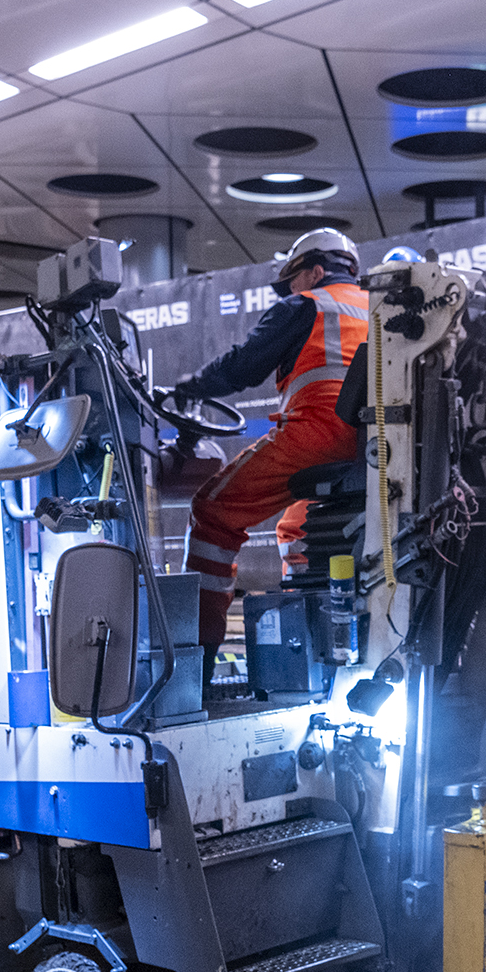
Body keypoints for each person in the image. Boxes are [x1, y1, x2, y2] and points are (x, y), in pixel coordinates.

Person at [175, 229, 368, 691]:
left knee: (213, 514)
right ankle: (317, 642)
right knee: (297, 527)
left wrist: (188, 388)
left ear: (316, 271)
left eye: (294, 280)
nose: (291, 291)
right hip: (374, 448)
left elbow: (243, 367)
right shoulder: (381, 308)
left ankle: (198, 659)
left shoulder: (307, 305)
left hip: (318, 433)